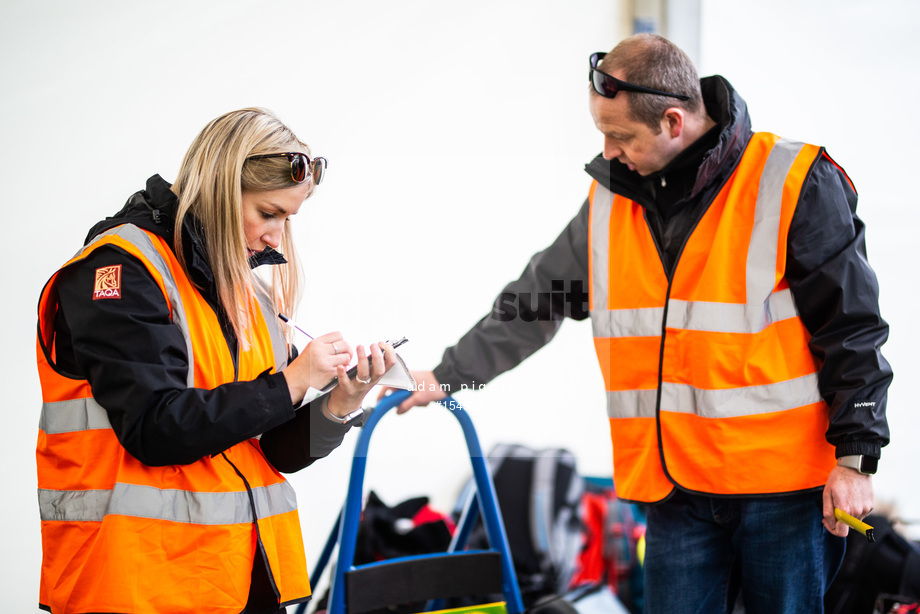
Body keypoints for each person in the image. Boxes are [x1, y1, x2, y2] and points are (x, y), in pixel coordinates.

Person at [389, 34, 892, 613]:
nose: (606, 152)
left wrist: (856, 459)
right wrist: (447, 376)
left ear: (674, 121)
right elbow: (533, 302)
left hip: (782, 492)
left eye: (619, 135)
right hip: (674, 490)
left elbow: (853, 327)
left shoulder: (793, 181)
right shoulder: (609, 202)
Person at [35, 107, 397, 614]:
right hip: (137, 586)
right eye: (268, 214)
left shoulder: (247, 292)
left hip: (236, 581)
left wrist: (337, 404)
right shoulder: (119, 271)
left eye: (288, 219)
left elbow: (272, 453)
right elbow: (155, 428)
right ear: (223, 191)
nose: (277, 238)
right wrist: (293, 381)